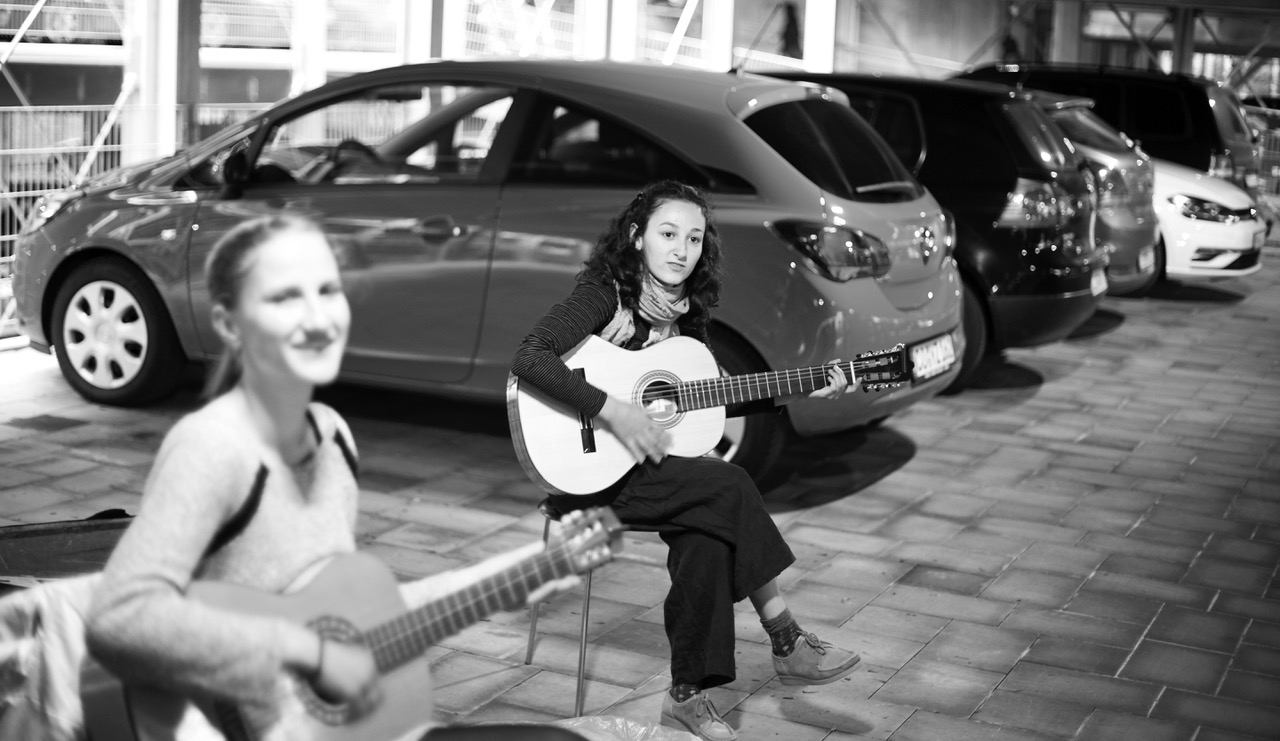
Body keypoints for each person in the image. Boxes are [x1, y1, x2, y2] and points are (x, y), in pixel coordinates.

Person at [84, 214, 584, 741]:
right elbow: (119, 619)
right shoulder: (212, 444)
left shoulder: (331, 436)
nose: (319, 318)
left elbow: (359, 617)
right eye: (284, 298)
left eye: (328, 291)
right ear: (230, 324)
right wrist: (312, 652)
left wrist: (501, 581)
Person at [509, 180, 861, 741]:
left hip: (652, 473)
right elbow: (531, 356)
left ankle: (686, 697)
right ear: (636, 236)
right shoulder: (604, 295)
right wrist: (613, 412)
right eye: (668, 233)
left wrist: (801, 388)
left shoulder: (686, 311)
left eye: (694, 238)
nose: (681, 249)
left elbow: (707, 393)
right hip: (588, 473)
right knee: (729, 485)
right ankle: (786, 638)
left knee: (709, 533)